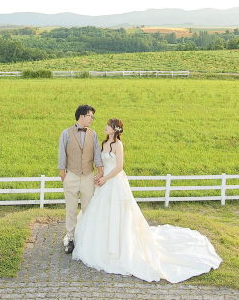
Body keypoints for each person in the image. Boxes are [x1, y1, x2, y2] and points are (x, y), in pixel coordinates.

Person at [72, 118, 222, 283]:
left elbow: (119, 166)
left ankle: (119, 249)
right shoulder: (105, 143)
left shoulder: (118, 146)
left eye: (108, 125)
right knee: (99, 213)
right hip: (104, 183)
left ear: (115, 130)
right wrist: (99, 176)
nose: (105, 127)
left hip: (114, 181)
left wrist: (106, 178)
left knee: (118, 213)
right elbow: (101, 163)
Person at [58, 104, 104, 254]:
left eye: (92, 116)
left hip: (88, 177)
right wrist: (63, 176)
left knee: (87, 209)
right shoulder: (66, 133)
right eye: (90, 116)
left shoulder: (94, 134)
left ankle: (86, 237)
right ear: (81, 116)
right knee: (71, 209)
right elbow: (61, 155)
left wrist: (99, 170)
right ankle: (70, 238)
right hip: (71, 176)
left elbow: (97, 154)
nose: (92, 119)